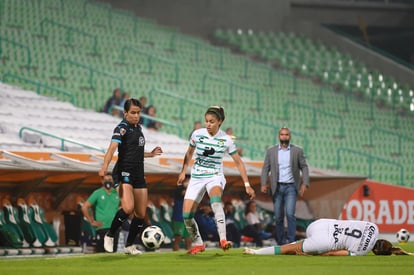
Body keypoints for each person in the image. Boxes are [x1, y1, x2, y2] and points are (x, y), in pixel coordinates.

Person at [177, 105, 256, 255]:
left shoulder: (226, 140)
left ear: (219, 122)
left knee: (215, 200)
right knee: (186, 216)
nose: (208, 124)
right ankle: (199, 244)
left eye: (212, 121)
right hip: (196, 177)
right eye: (206, 121)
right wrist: (183, 172)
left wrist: (247, 185)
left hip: (215, 176)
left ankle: (223, 240)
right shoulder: (197, 134)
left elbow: (238, 162)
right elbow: (188, 153)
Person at [99, 98, 163, 255]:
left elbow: (137, 153)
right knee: (128, 208)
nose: (136, 116)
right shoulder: (121, 128)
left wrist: (151, 154)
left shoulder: (139, 128)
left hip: (138, 173)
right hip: (123, 172)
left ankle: (129, 246)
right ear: (125, 113)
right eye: (133, 113)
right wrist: (104, 167)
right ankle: (110, 234)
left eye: (138, 113)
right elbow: (112, 148)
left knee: (141, 214)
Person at [243, 218, 414, 256]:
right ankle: (255, 252)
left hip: (322, 224)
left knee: (303, 239)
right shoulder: (360, 252)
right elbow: (332, 254)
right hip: (324, 241)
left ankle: (302, 239)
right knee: (289, 249)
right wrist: (313, 253)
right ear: (376, 252)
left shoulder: (373, 226)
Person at [261, 126, 310, 245]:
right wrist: (263, 183)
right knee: (278, 216)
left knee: (290, 214)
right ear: (279, 136)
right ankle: (281, 242)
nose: (284, 136)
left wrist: (305, 183)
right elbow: (265, 168)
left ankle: (291, 241)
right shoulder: (271, 151)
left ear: (290, 136)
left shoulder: (297, 151)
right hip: (276, 187)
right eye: (282, 134)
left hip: (291, 187)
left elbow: (304, 166)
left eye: (286, 134)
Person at [81, 173, 120, 252]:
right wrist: (91, 221)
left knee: (113, 252)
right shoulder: (97, 193)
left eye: (109, 180)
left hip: (115, 228)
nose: (107, 182)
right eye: (105, 180)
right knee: (101, 252)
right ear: (102, 181)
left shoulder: (117, 193)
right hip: (102, 228)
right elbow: (84, 207)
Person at [172, 183, 192, 251]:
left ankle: (189, 256)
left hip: (188, 218)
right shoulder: (178, 190)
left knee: (189, 240)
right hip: (179, 218)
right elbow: (184, 193)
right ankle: (175, 254)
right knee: (178, 238)